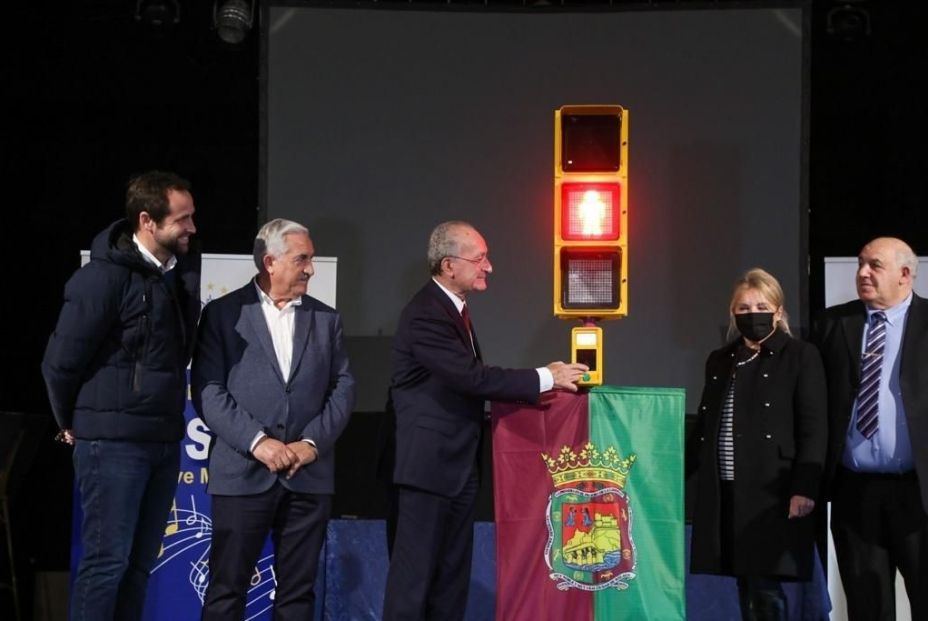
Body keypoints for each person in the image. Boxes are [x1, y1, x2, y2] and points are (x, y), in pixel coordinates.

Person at [381, 220, 589, 621]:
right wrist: (547, 376)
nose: (488, 267)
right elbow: (470, 378)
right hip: (427, 470)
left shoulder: (455, 310)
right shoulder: (426, 313)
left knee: (450, 583)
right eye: (479, 259)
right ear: (448, 265)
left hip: (457, 467)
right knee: (414, 584)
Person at [41, 170, 200, 620]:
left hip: (163, 443)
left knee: (138, 567)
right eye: (182, 219)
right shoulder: (102, 279)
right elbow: (58, 363)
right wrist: (69, 422)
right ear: (148, 221)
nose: (191, 228)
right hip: (111, 444)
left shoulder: (178, 277)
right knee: (105, 564)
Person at [192, 218, 355, 620]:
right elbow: (209, 392)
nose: (311, 269)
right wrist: (258, 442)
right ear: (270, 262)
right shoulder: (223, 314)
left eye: (311, 259)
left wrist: (311, 444)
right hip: (243, 474)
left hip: (307, 478)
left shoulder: (326, 319)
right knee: (227, 590)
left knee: (298, 595)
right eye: (302, 259)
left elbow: (344, 388)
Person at [689, 268, 827, 620]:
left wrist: (804, 489)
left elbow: (813, 427)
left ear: (779, 311)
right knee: (743, 580)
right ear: (733, 314)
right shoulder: (721, 360)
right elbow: (706, 423)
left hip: (772, 491)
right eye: (744, 308)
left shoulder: (800, 355)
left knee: (765, 581)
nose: (753, 315)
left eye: (762, 306)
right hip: (726, 489)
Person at [816, 237, 928, 620]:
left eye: (874, 265)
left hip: (919, 492)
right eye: (860, 264)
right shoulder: (834, 323)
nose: (862, 273)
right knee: (867, 606)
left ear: (905, 275)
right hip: (855, 492)